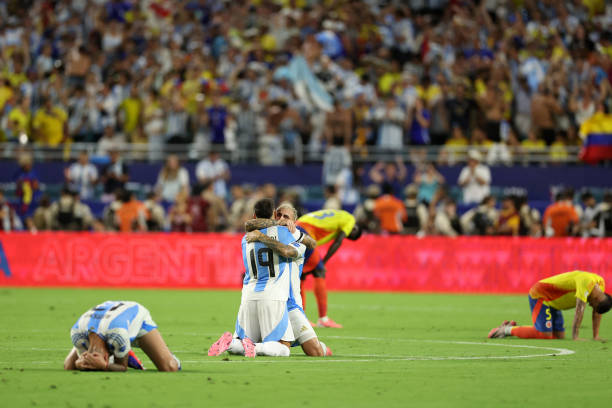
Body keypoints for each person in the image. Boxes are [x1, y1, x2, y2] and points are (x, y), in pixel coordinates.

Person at [210, 203, 332, 357]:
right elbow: (251, 224)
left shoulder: (294, 235)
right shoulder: (278, 233)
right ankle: (241, 345)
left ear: (295, 221)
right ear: (273, 215)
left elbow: (310, 244)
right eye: (278, 215)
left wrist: (264, 235)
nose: (281, 219)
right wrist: (273, 227)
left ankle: (233, 344)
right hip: (276, 300)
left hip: (290, 304)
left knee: (316, 352)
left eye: (286, 217)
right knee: (280, 347)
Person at [488, 271, 612, 340]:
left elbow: (597, 312)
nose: (590, 305)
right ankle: (505, 330)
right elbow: (579, 310)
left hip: (554, 304)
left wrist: (595, 336)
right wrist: (576, 336)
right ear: (597, 298)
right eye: (592, 304)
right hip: (541, 295)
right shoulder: (586, 282)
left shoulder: (600, 287)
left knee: (559, 337)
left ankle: (512, 327)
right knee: (544, 335)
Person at [64, 300, 180, 372]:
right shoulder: (77, 333)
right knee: (70, 365)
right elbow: (69, 365)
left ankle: (124, 351)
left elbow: (122, 367)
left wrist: (104, 366)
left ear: (107, 356)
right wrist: (78, 363)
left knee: (170, 367)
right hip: (101, 322)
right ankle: (123, 351)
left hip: (136, 317)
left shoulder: (118, 335)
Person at [296, 209, 362, 328]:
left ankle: (300, 317)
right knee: (319, 270)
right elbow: (338, 242)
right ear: (355, 229)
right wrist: (325, 261)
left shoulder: (340, 214)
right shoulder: (350, 220)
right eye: (349, 235)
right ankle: (322, 319)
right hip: (306, 231)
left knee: (301, 275)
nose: (346, 235)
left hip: (299, 226)